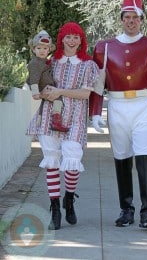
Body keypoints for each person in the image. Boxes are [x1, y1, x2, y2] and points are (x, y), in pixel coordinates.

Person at [89, 0, 147, 229]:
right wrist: (95, 113)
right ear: (121, 19)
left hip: (142, 106)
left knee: (145, 156)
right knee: (122, 157)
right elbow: (97, 83)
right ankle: (126, 209)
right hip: (117, 106)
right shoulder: (105, 47)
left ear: (142, 20)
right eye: (127, 17)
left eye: (135, 17)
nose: (131, 21)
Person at [27, 22, 100, 230]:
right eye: (67, 36)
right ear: (61, 39)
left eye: (75, 36)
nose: (71, 40)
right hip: (50, 115)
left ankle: (69, 198)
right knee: (52, 162)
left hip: (75, 117)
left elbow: (86, 94)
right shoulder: (50, 62)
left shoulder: (88, 65)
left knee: (72, 159)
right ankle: (55, 208)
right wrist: (42, 92)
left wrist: (60, 92)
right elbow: (38, 84)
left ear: (81, 40)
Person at [27, 30, 67, 132]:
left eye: (45, 48)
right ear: (34, 49)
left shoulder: (44, 61)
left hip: (47, 86)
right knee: (58, 100)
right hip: (43, 88)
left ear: (49, 50)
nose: (42, 51)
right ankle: (56, 122)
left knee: (58, 101)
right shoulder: (35, 63)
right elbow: (34, 78)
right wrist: (36, 92)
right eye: (39, 48)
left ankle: (54, 120)